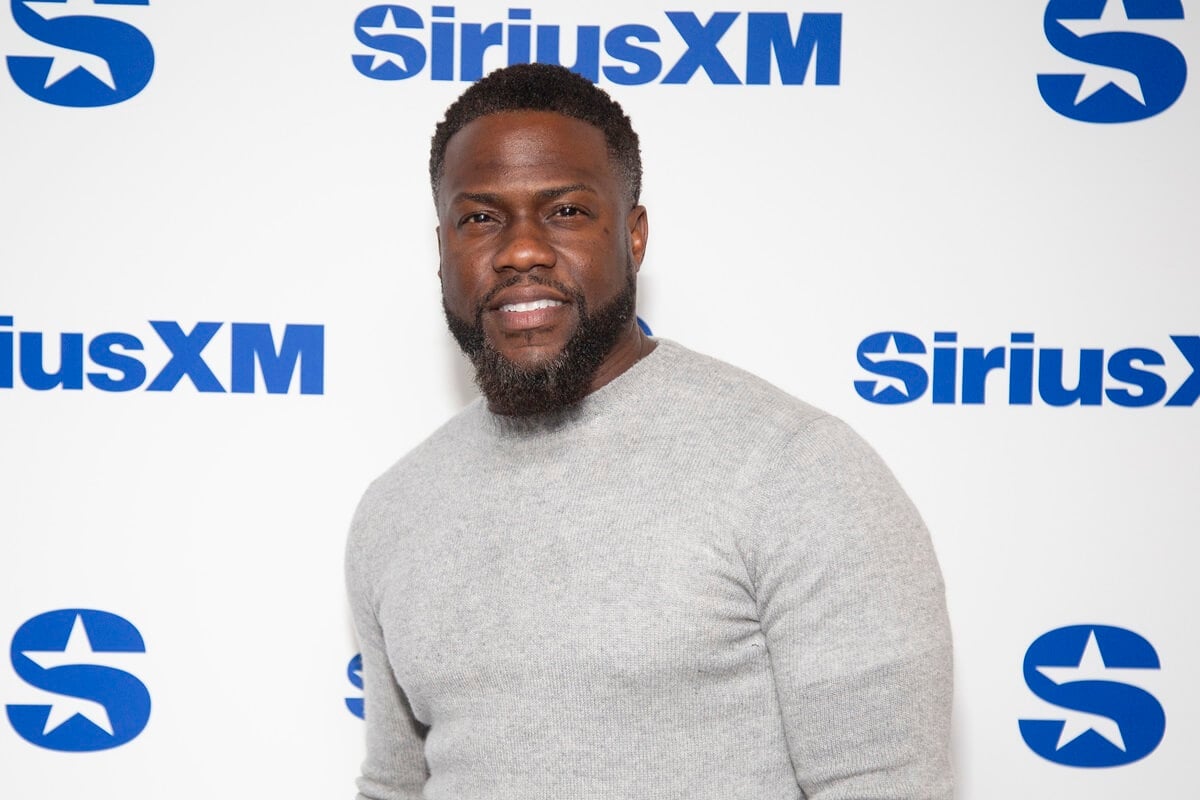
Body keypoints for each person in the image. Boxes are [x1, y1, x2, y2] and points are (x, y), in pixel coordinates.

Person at [346, 63, 953, 800]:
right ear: (442, 248)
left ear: (634, 236)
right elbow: (393, 784)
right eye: (481, 218)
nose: (522, 251)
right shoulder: (395, 509)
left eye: (565, 211)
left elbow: (884, 784)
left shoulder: (797, 470)